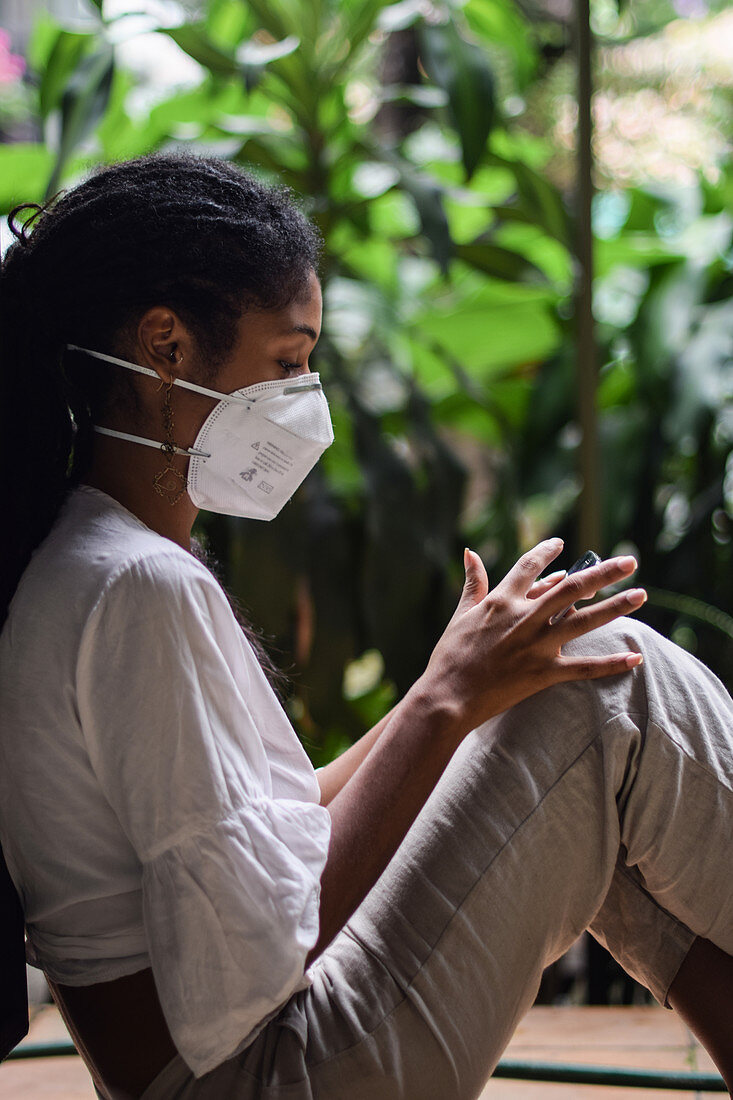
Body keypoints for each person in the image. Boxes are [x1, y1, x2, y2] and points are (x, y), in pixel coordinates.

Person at [0, 153, 732, 1100]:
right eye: (288, 361)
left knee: (567, 678)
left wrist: (469, 680)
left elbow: (267, 838)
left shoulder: (86, 561)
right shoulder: (133, 589)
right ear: (165, 347)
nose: (305, 398)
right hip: (269, 1074)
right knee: (612, 675)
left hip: (230, 1065)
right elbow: (251, 967)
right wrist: (439, 703)